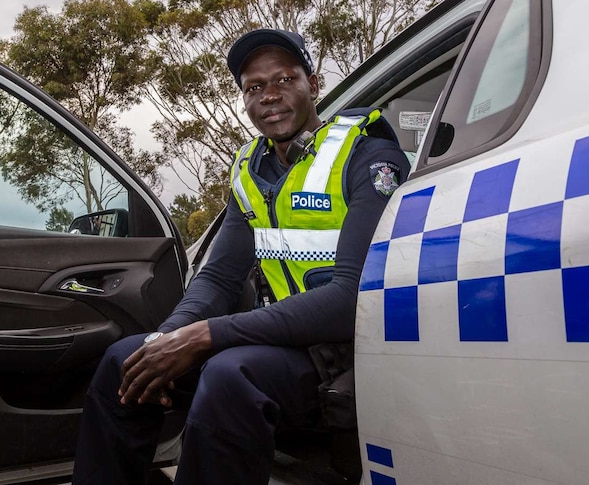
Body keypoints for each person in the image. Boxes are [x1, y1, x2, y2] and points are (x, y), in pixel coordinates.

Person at [72, 28, 410, 485]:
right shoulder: (249, 170)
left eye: (285, 79)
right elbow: (219, 278)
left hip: (347, 348)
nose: (270, 95)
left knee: (232, 376)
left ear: (314, 83)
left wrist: (205, 336)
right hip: (278, 338)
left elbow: (349, 296)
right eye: (254, 87)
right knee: (126, 359)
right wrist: (169, 338)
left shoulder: (368, 156)